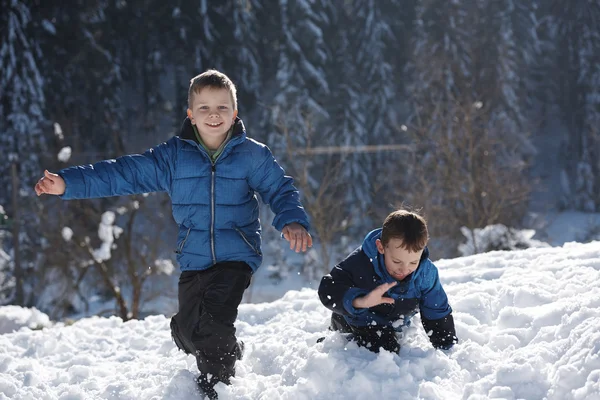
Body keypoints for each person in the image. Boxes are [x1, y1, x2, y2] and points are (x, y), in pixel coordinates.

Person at [35, 69, 312, 398]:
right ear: (191, 115)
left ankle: (217, 386)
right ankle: (214, 344)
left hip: (237, 254)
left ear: (235, 114)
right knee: (190, 329)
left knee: (213, 324)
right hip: (193, 258)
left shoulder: (253, 155)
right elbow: (124, 173)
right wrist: (68, 183)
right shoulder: (173, 157)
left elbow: (280, 190)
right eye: (204, 108)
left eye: (222, 108)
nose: (214, 115)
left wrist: (291, 220)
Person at [318, 209, 456, 353]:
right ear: (381, 247)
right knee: (385, 353)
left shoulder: (426, 274)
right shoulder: (361, 264)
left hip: (395, 321)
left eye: (413, 262)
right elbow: (328, 288)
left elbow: (436, 308)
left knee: (391, 345)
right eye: (397, 261)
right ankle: (338, 327)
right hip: (361, 319)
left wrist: (445, 345)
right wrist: (360, 301)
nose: (404, 269)